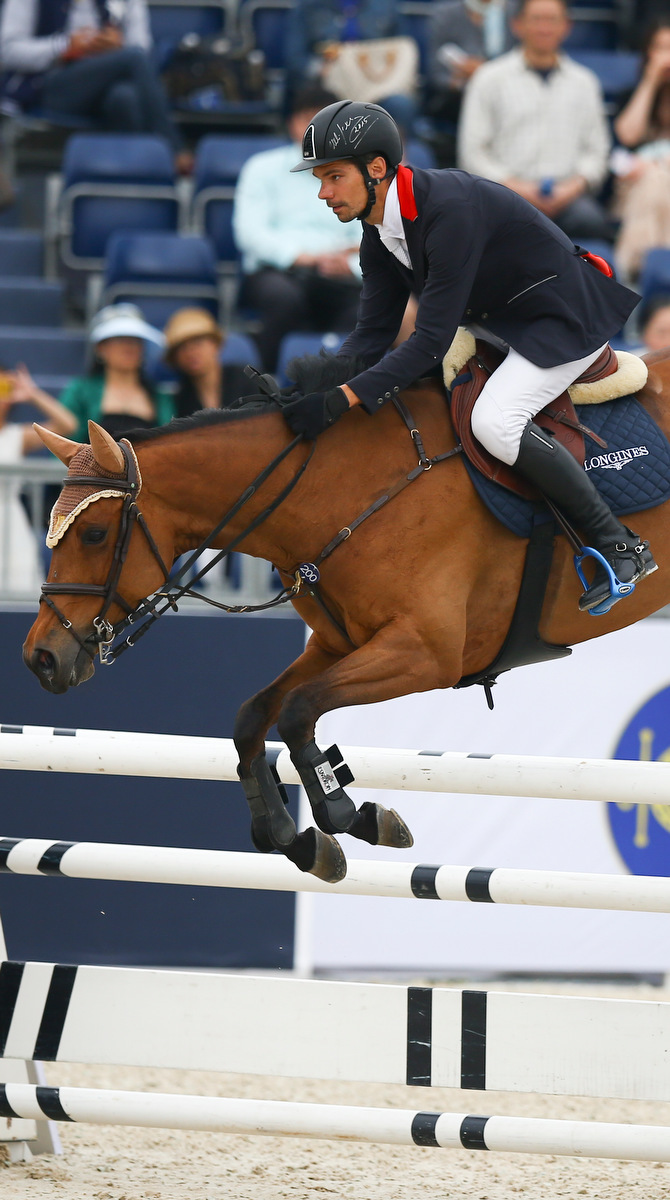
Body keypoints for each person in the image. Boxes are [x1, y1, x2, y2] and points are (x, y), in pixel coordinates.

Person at [281, 99, 656, 616]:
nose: (323, 192)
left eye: (333, 176)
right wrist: (316, 389)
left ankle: (619, 543)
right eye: (319, 179)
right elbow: (371, 335)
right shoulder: (376, 230)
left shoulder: (448, 210)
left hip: (559, 321)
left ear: (375, 169)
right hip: (498, 323)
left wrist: (345, 398)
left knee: (495, 422)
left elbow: (429, 340)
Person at [457, 0, 612, 244]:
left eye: (552, 20)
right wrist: (516, 188)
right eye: (536, 19)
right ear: (517, 25)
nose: (544, 28)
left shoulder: (585, 83)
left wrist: (570, 189)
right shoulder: (489, 78)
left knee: (593, 222)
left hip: (567, 199)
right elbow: (472, 153)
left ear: (567, 27)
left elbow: (597, 151)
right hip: (504, 196)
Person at [233, 85, 364, 373]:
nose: (318, 128)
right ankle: (267, 389)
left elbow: (367, 236)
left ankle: (338, 390)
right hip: (277, 271)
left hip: (339, 273)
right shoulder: (262, 168)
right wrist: (305, 257)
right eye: (309, 119)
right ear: (293, 123)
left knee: (369, 304)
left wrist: (350, 265)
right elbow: (250, 234)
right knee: (284, 299)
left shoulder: (355, 176)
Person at [0, 0, 186, 163]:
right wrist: (64, 46)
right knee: (133, 59)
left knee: (124, 98)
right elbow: (6, 50)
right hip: (48, 86)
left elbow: (143, 50)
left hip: (104, 88)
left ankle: (123, 184)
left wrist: (117, 47)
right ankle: (173, 149)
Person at [284, 0, 416, 135]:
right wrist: (319, 69)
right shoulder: (308, 6)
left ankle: (396, 153)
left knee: (400, 104)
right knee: (310, 105)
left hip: (376, 85)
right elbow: (295, 58)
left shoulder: (386, 5)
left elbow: (402, 48)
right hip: (326, 86)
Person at [0, 364, 76, 593]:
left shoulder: (16, 436)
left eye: (2, 387)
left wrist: (32, 394)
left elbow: (67, 425)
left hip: (9, 526)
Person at [56, 304, 174, 442]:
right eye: (119, 339)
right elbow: (64, 443)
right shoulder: (79, 391)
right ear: (101, 348)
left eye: (135, 339)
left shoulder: (159, 396)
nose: (128, 346)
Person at [612, 21, 670, 280]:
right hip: (632, 191)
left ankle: (636, 270)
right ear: (648, 53)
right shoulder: (632, 94)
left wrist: (657, 166)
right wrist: (650, 82)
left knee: (658, 179)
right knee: (653, 181)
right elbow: (627, 136)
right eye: (660, 48)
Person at [428, 0, 514, 127]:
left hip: (507, 92)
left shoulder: (516, 13)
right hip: (458, 98)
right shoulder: (445, 14)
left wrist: (484, 71)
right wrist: (458, 79)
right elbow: (436, 75)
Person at [163, 308, 258, 417]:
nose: (190, 353)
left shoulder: (246, 378)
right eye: (182, 348)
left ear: (215, 345)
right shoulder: (180, 400)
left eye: (197, 343)